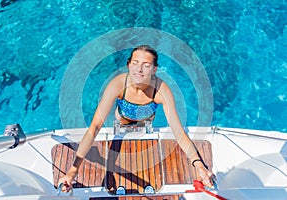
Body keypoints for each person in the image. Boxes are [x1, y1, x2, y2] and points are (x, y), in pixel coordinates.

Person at [58, 45, 214, 192]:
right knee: (118, 134)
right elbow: (95, 127)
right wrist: (73, 171)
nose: (139, 69)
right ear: (128, 65)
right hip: (122, 118)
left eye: (146, 65)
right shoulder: (118, 85)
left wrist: (198, 165)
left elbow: (178, 131)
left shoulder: (161, 91)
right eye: (135, 63)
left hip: (146, 120)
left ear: (154, 69)